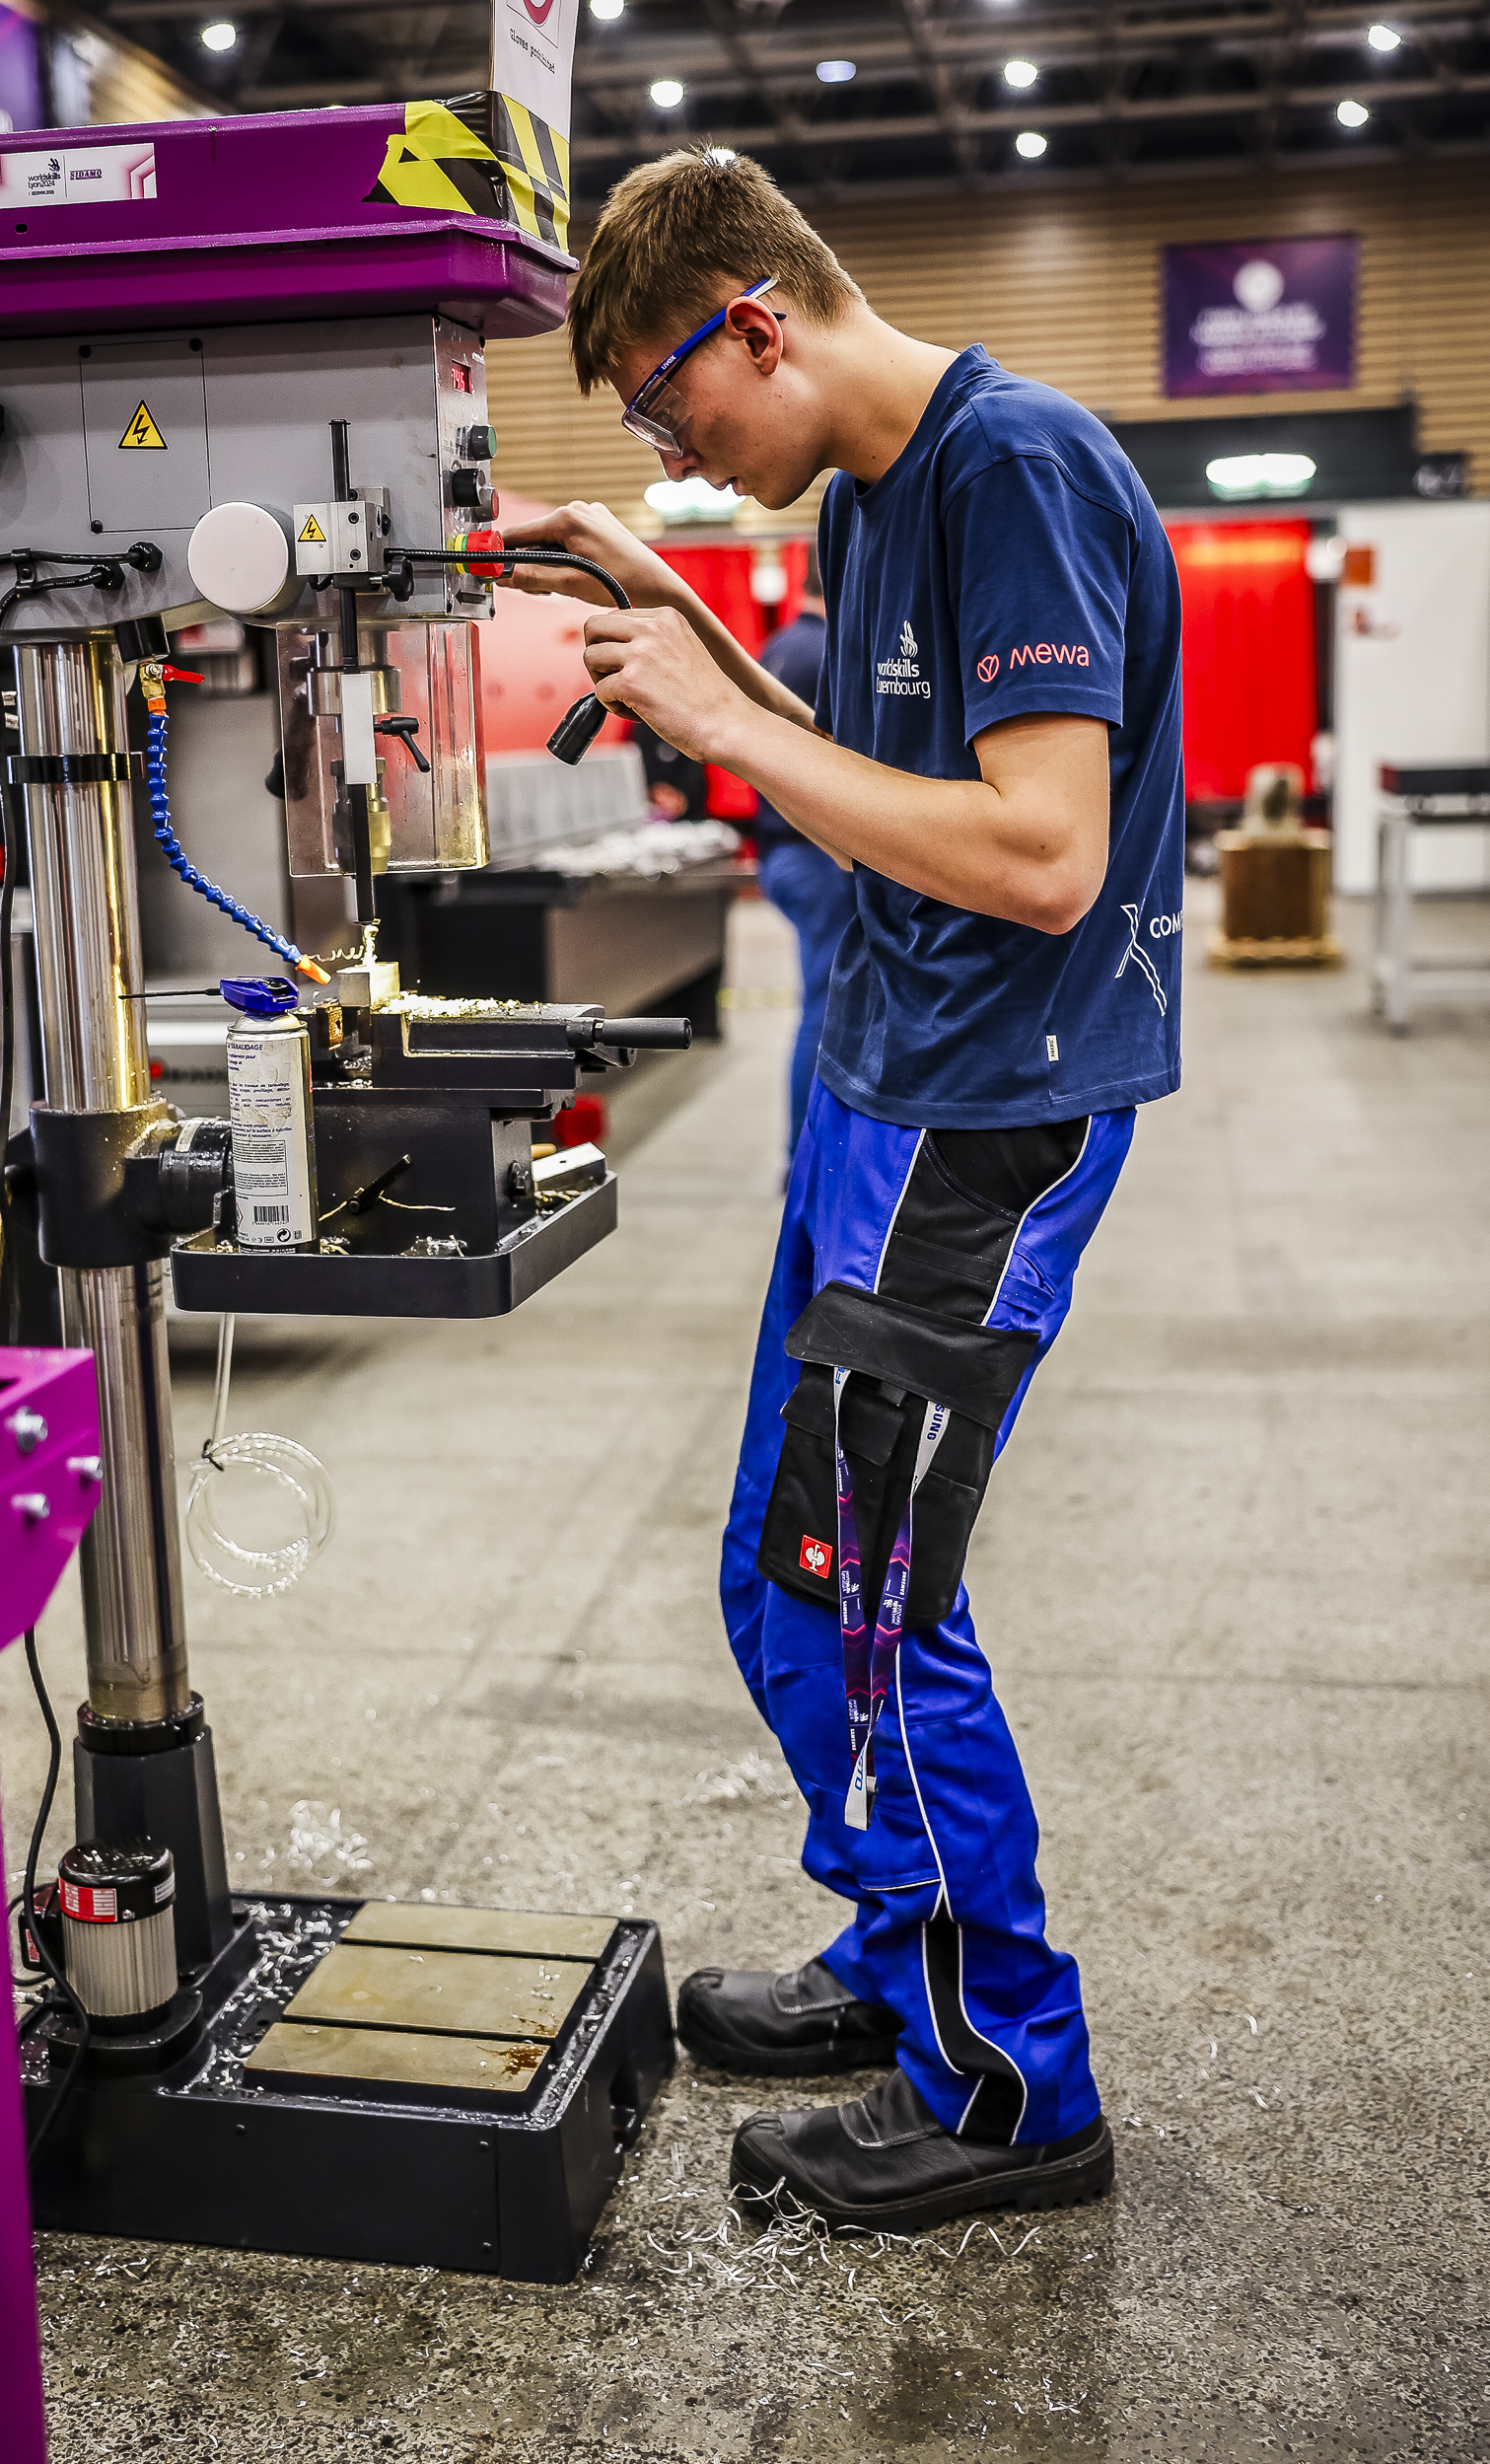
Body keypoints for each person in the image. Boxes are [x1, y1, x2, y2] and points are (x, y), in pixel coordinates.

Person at [502, 147, 1183, 2236]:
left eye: (661, 406)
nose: (672, 448)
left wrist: (712, 705)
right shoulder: (886, 491)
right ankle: (905, 1963)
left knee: (862, 1600)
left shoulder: (1012, 470)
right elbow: (862, 757)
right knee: (779, 1571)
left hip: (984, 1108)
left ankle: (1006, 2083)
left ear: (755, 321)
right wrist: (675, 608)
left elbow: (1043, 850)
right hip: (881, 1080)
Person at [751, 548, 858, 1162]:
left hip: (784, 851)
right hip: (816, 856)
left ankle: (808, 1155)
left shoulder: (783, 646)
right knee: (829, 1008)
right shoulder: (826, 655)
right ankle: (809, 1160)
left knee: (825, 1001)